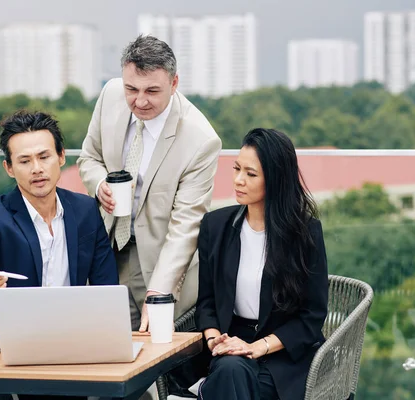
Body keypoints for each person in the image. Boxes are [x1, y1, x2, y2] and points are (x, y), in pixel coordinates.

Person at [78, 35, 221, 332]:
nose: (139, 101)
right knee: (107, 348)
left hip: (160, 264)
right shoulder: (110, 95)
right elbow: (89, 157)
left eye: (152, 91)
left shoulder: (201, 140)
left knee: (157, 363)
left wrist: (160, 291)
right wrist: (100, 184)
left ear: (174, 82)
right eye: (131, 88)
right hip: (106, 251)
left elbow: (186, 225)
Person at [0, 110, 118, 342]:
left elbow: (106, 288)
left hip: (69, 339)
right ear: (9, 168)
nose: (37, 169)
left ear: (61, 157)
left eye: (44, 157)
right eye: (24, 161)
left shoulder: (86, 210)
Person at [195, 128, 328, 400]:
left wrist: (259, 347)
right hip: (230, 345)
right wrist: (214, 340)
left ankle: (206, 390)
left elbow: (311, 317)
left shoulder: (305, 232)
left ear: (276, 179)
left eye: (250, 174)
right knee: (232, 371)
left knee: (233, 380)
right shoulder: (216, 226)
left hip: (284, 353)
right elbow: (206, 301)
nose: (238, 180)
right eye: (236, 169)